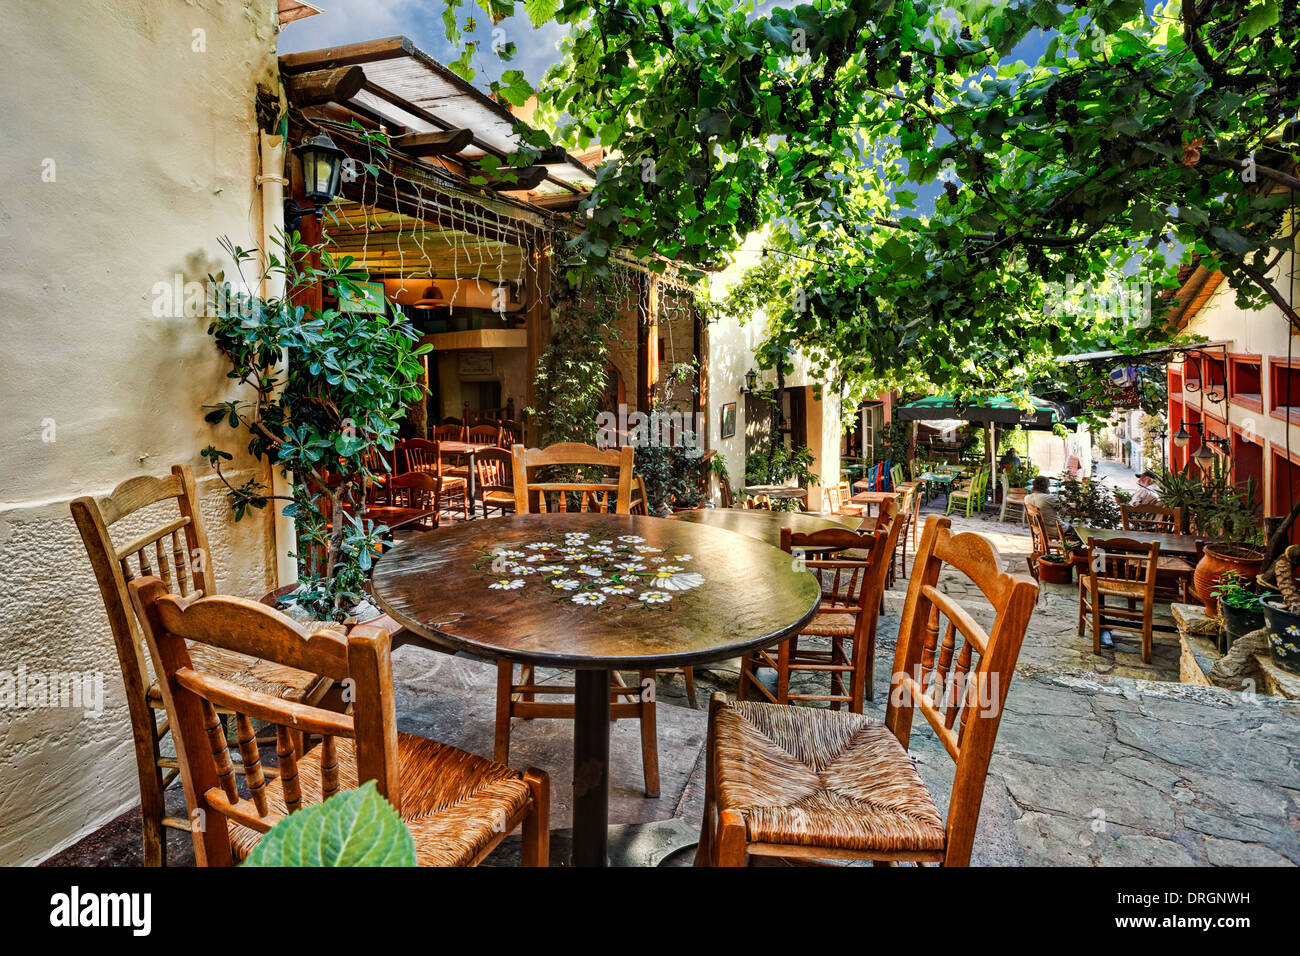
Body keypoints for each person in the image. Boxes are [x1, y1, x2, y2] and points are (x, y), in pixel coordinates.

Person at [1024, 476, 1078, 544]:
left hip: (1038, 530)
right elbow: (1063, 512)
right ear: (1046, 486)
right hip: (1055, 530)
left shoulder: (1027, 498)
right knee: (1078, 533)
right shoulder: (1049, 498)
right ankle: (1071, 553)